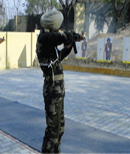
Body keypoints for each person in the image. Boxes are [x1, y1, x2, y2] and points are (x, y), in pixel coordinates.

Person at [36, 10, 83, 153]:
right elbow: (56, 37)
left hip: (58, 91)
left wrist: (69, 46)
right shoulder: (44, 39)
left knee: (60, 129)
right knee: (52, 131)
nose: (59, 29)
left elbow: (59, 56)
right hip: (52, 90)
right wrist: (69, 36)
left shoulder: (51, 45)